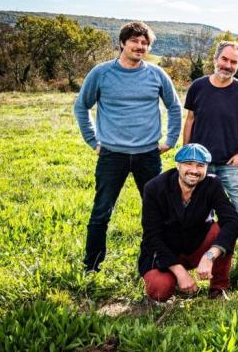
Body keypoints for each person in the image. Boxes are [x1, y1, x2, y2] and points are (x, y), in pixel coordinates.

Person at [74, 21, 182, 272]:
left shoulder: (156, 74)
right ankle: (92, 266)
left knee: (156, 213)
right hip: (112, 155)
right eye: (135, 41)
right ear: (122, 43)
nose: (140, 46)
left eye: (145, 43)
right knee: (101, 211)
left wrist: (170, 140)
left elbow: (174, 106)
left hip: (148, 154)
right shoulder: (101, 73)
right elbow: (82, 106)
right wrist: (92, 141)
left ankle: (152, 264)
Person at [138, 144, 238, 301]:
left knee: (222, 229)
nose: (194, 170)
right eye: (188, 164)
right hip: (165, 251)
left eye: (200, 166)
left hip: (197, 245)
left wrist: (210, 255)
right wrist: (179, 270)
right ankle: (175, 278)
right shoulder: (154, 188)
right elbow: (152, 236)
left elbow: (232, 221)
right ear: (177, 165)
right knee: (160, 290)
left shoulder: (212, 184)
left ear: (207, 168)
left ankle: (218, 288)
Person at [183, 40, 238, 220]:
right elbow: (190, 119)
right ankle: (207, 242)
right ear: (215, 59)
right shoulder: (197, 86)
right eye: (224, 59)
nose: (228, 65)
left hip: (230, 162)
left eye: (233, 62)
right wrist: (187, 154)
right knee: (199, 208)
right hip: (200, 162)